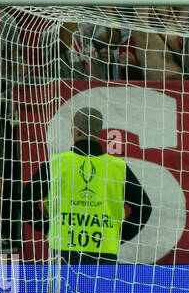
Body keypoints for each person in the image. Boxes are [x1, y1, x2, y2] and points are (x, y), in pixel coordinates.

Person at [18, 107, 151, 263]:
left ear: (76, 130)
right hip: (104, 250)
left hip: (64, 249)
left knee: (65, 288)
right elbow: (144, 208)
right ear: (99, 132)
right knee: (99, 288)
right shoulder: (117, 167)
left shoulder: (57, 164)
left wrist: (49, 227)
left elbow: (24, 202)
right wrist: (118, 234)